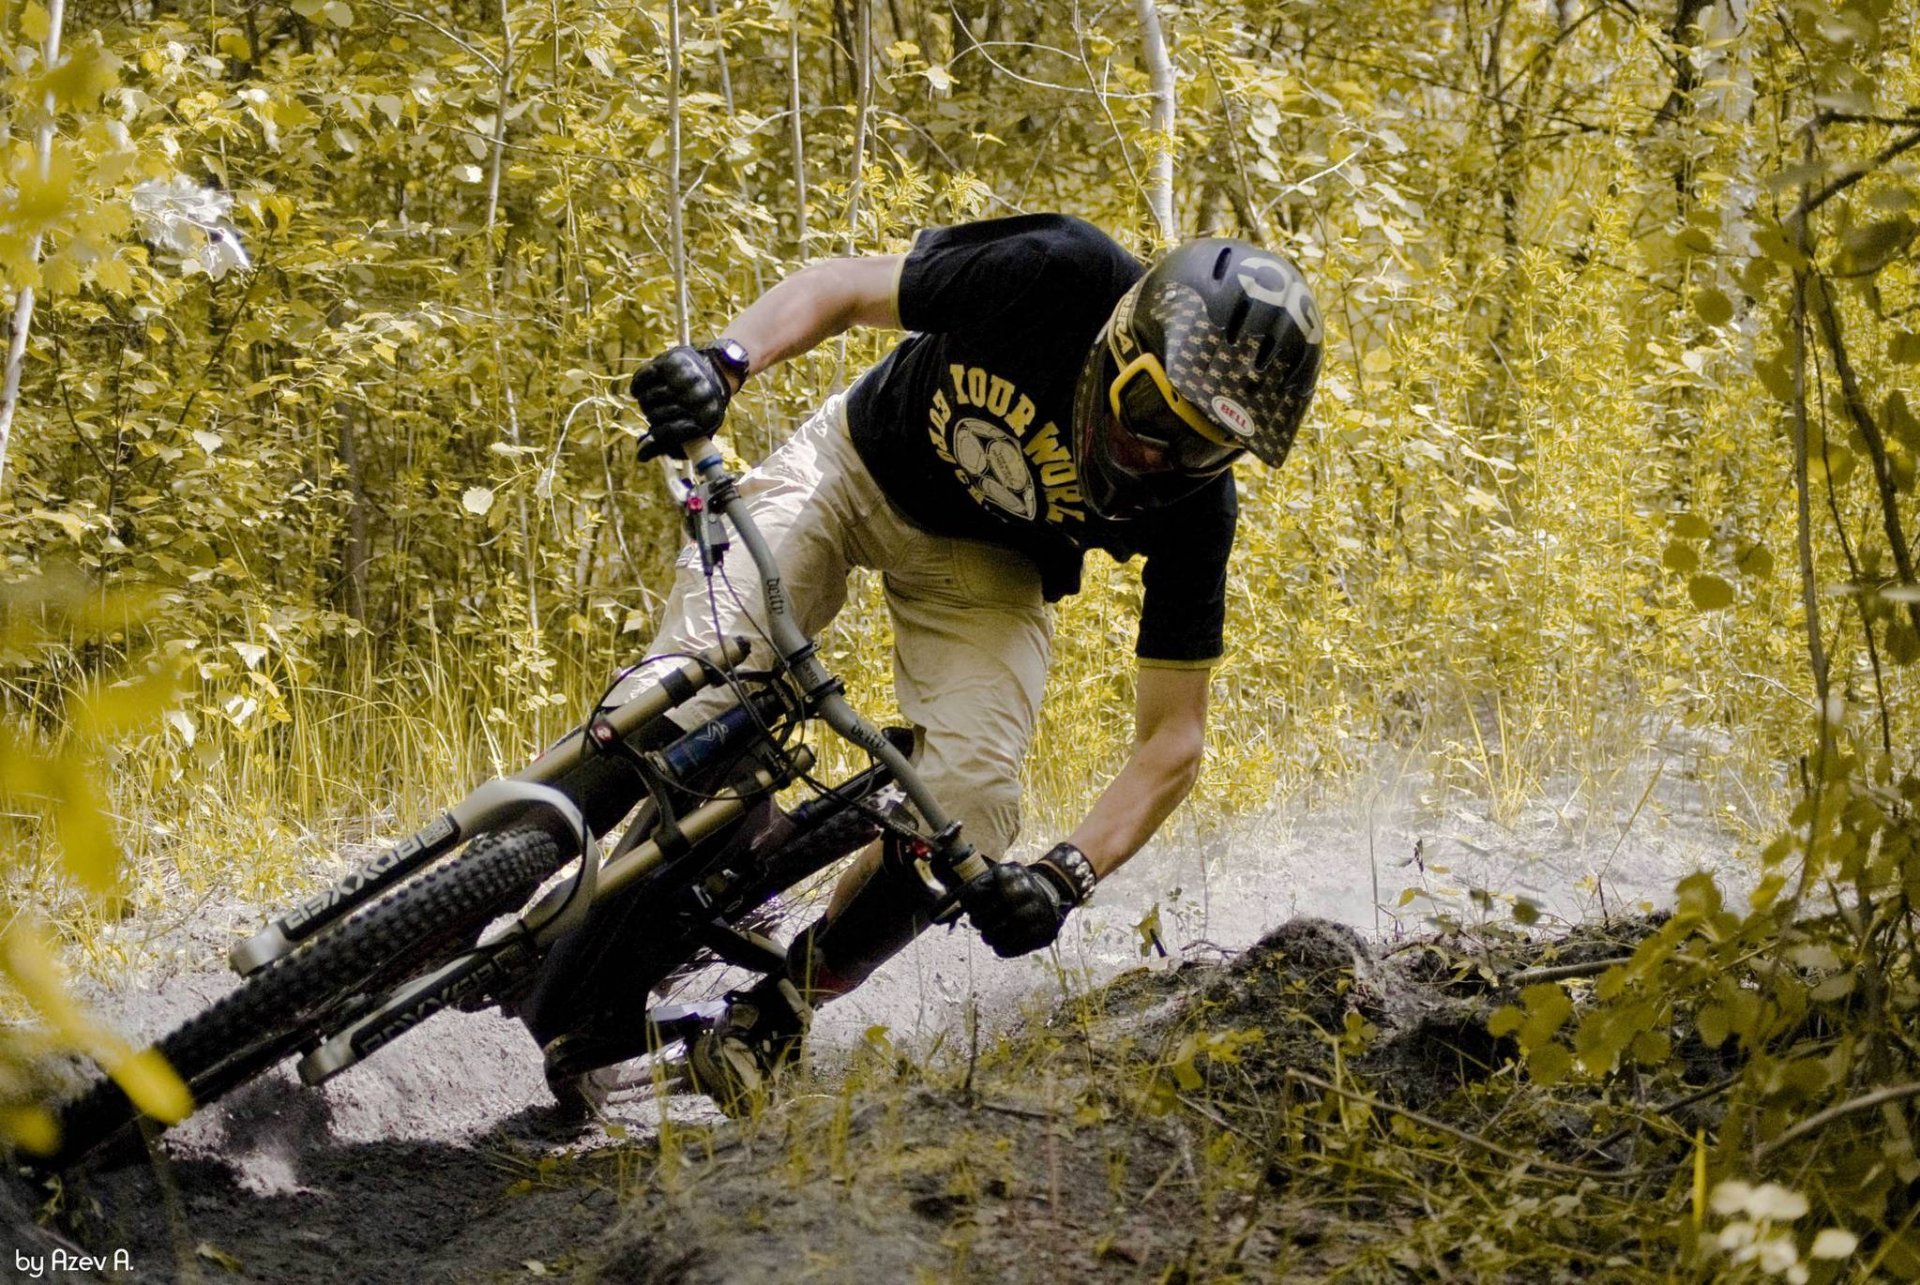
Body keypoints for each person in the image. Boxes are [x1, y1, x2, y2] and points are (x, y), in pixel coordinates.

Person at [525, 213, 1323, 1115]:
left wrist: (1067, 875)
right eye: (1149, 415)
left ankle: (775, 1013)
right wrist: (726, 360)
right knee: (710, 672)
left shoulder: (1196, 511)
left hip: (987, 567)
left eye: (1202, 447)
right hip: (857, 464)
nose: (1158, 456)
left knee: (975, 805)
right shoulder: (1056, 272)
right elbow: (843, 286)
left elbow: (1174, 740)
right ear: (1119, 341)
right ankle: (506, 848)